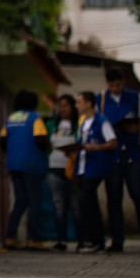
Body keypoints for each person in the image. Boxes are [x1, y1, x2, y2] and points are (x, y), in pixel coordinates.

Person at [97, 68, 140, 252]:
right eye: (112, 85)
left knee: (138, 194)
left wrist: (134, 128)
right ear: (107, 84)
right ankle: (117, 240)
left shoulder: (135, 97)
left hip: (132, 153)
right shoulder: (101, 100)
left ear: (124, 82)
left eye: (119, 84)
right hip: (111, 156)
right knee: (114, 199)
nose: (115, 88)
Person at [0, 89, 51, 250]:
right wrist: (49, 147)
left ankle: (9, 238)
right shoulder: (35, 118)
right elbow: (41, 139)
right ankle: (33, 239)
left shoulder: (10, 119)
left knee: (20, 201)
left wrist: (14, 152)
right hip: (31, 164)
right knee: (34, 202)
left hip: (13, 164)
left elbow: (1, 141)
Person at [72, 90, 117, 254]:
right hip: (83, 167)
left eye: (79, 102)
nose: (76, 106)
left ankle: (96, 240)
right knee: (88, 203)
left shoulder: (101, 121)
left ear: (88, 103)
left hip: (95, 168)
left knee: (86, 201)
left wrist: (95, 148)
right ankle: (93, 240)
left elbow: (112, 143)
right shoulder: (83, 122)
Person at [45, 94, 82, 251]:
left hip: (72, 169)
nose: (62, 108)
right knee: (59, 205)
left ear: (73, 107)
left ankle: (82, 240)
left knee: (76, 206)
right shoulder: (51, 124)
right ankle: (61, 240)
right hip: (54, 168)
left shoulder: (79, 124)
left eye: (65, 105)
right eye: (60, 105)